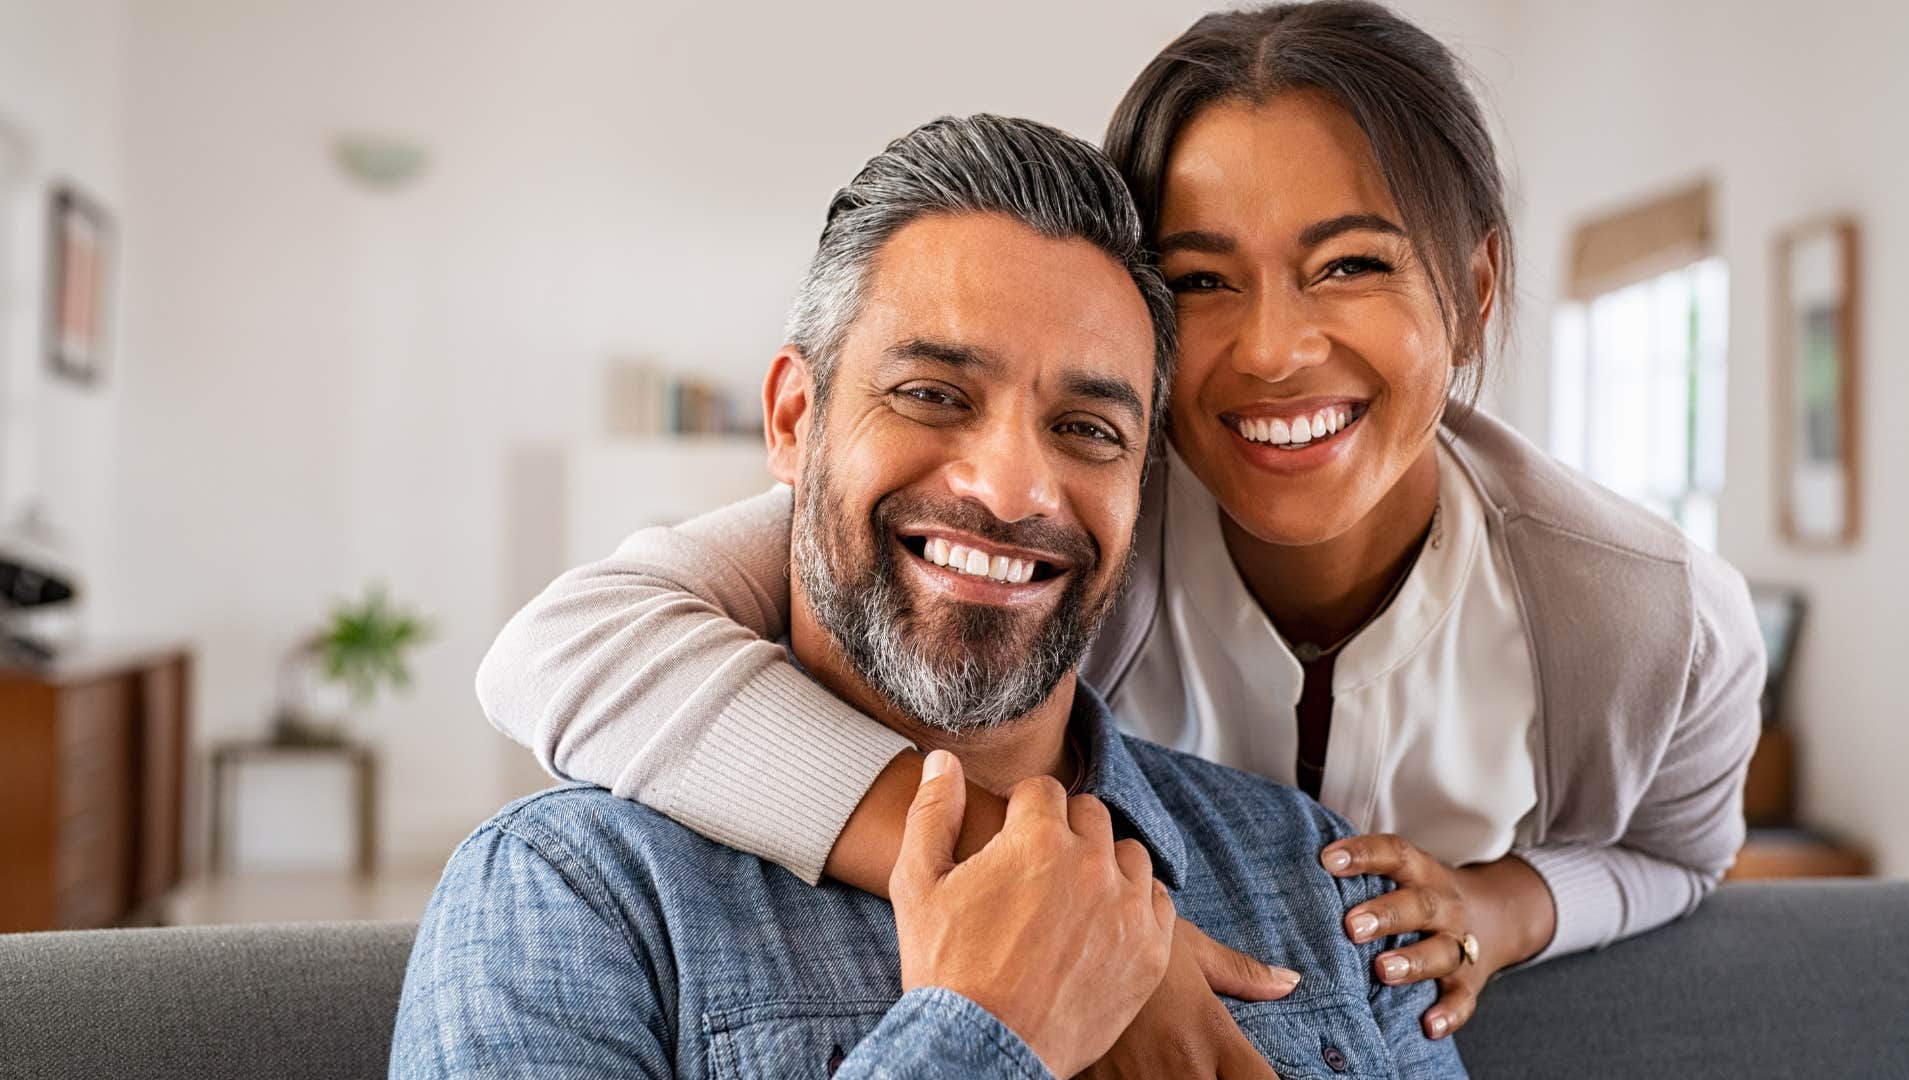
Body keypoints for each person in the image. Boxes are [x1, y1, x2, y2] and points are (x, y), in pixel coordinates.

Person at [479, 0, 1765, 1056]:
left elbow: (1679, 855)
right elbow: (570, 644)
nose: (1273, 349)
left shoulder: (1640, 612)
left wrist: (1507, 903)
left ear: (1474, 291)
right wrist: (1063, 908)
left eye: (1352, 264)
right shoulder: (1070, 513)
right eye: (1202, 280)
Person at [392, 114, 1465, 1080]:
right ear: (793, 423)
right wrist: (985, 1030)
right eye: (932, 396)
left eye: (1088, 429)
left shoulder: (1318, 878)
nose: (1009, 488)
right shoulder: (572, 896)